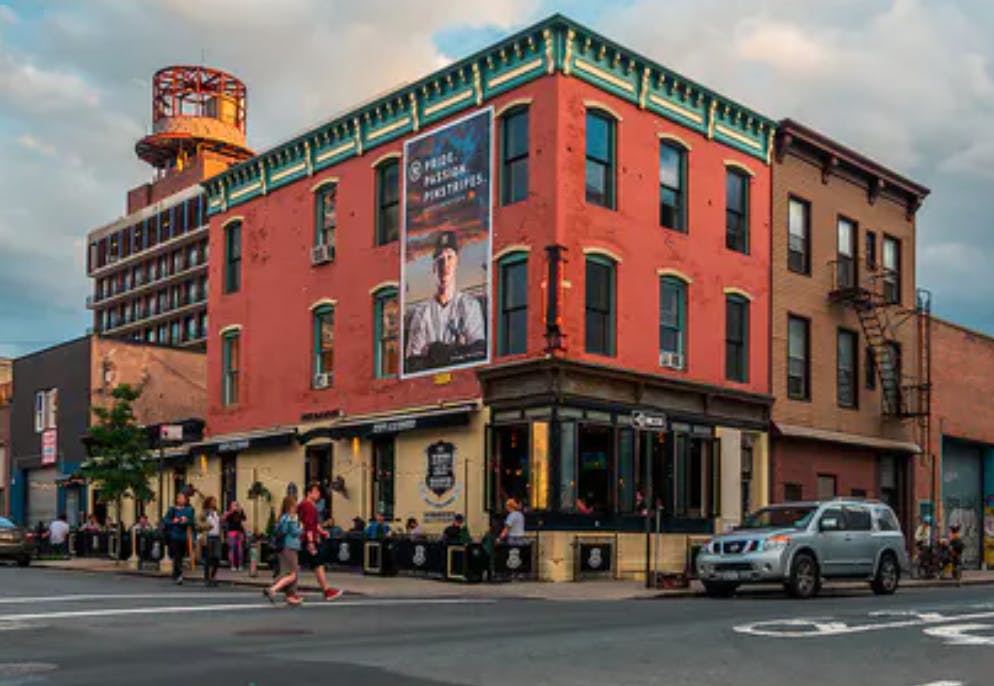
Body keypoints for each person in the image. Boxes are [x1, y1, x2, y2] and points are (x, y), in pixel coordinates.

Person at [404, 231, 486, 371]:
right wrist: (458, 349)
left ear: (457, 262)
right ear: (434, 266)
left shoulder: (470, 305)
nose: (445, 265)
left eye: (450, 257)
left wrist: (435, 351)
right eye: (440, 259)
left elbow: (478, 352)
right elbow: (414, 363)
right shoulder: (421, 313)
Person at [298, 481, 343, 601]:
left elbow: (314, 524)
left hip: (306, 539)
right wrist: (311, 542)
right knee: (311, 565)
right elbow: (308, 526)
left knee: (317, 564)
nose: (318, 494)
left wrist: (322, 531)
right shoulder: (308, 506)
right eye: (316, 491)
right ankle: (276, 588)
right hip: (307, 540)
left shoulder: (308, 505)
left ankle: (327, 590)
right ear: (309, 493)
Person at [265, 496, 303, 606]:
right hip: (290, 546)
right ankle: (273, 589)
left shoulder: (282, 518)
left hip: (284, 547)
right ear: (290, 507)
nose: (296, 508)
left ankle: (290, 595)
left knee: (288, 572)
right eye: (294, 506)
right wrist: (301, 528)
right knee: (292, 574)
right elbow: (294, 533)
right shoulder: (289, 518)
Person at [164, 492, 195, 585]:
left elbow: (192, 521)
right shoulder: (172, 509)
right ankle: (179, 575)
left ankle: (175, 573)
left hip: (185, 536)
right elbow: (166, 520)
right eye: (179, 498)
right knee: (177, 556)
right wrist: (174, 521)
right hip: (175, 535)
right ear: (177, 500)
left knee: (181, 555)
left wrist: (186, 520)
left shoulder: (190, 509)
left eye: (183, 498)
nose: (181, 499)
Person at [199, 496, 222, 586]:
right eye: (213, 501)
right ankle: (207, 578)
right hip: (208, 537)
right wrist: (207, 526)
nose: (215, 503)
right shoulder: (204, 513)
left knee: (217, 558)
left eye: (215, 501)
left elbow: (221, 522)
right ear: (209, 502)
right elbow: (198, 523)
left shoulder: (218, 512)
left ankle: (213, 575)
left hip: (217, 537)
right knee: (208, 559)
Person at [223, 501, 247, 572]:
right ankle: (233, 565)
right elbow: (224, 520)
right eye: (234, 505)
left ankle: (240, 565)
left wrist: (240, 511)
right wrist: (230, 512)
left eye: (237, 505)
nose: (235, 506)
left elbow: (244, 518)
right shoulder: (228, 512)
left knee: (240, 549)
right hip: (231, 532)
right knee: (232, 548)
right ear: (231, 506)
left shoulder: (240, 512)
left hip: (239, 532)